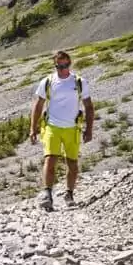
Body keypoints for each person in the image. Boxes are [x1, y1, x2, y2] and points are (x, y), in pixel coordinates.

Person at [28, 49, 94, 211]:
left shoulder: (79, 82)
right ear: (55, 65)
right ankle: (47, 193)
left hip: (72, 127)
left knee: (72, 164)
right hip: (52, 126)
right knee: (50, 158)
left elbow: (89, 107)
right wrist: (33, 128)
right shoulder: (48, 82)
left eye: (66, 65)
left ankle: (69, 193)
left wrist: (89, 129)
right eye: (60, 66)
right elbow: (38, 105)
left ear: (70, 64)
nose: (63, 68)